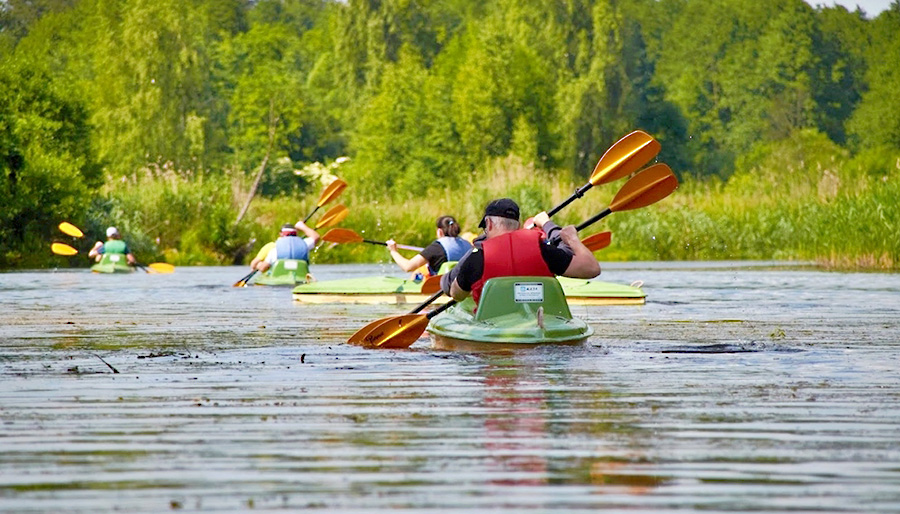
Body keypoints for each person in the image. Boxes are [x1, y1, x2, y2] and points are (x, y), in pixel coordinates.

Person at [441, 198, 600, 305]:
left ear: (488, 224)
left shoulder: (476, 258)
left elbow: (457, 295)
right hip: (539, 326)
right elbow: (592, 269)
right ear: (518, 226)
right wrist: (572, 238)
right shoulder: (543, 251)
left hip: (494, 331)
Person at [385, 215, 473, 278]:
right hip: (466, 289)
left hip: (442, 290)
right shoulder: (469, 245)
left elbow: (407, 267)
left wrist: (393, 251)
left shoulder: (436, 248)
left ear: (439, 232)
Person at [250, 220, 320, 272]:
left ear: (281, 234)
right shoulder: (304, 244)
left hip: (279, 279)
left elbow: (263, 268)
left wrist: (259, 265)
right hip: (301, 276)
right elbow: (316, 237)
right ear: (296, 233)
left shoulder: (275, 249)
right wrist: (302, 226)